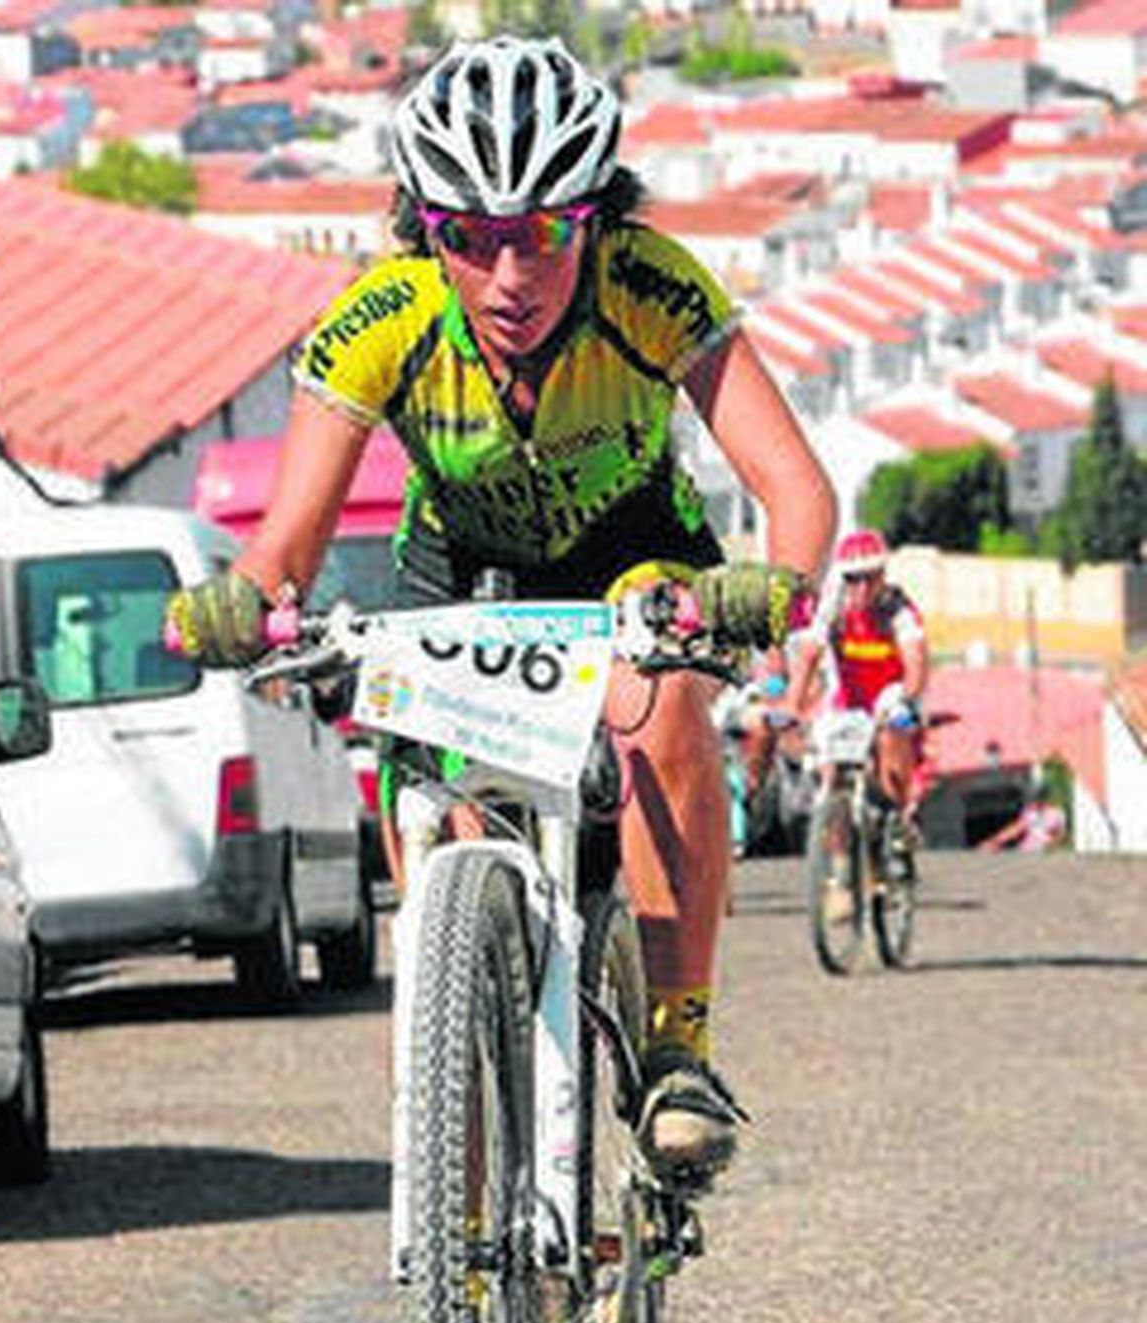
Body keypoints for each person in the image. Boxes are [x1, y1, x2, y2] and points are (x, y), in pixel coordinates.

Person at [166, 36, 836, 1184]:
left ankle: (677, 1048)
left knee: (658, 703)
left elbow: (796, 488)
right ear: (421, 230)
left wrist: (774, 584)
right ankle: (454, 1206)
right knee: (431, 817)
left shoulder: (651, 284)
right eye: (465, 239)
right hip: (461, 570)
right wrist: (242, 597)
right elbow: (287, 542)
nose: (507, 276)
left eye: (543, 235)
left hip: (631, 554)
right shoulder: (381, 318)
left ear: (595, 221)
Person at [788, 527, 929, 826]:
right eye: (853, 579)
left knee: (891, 740)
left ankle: (896, 820)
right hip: (850, 699)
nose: (862, 588)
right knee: (825, 760)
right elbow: (810, 653)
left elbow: (916, 663)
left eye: (870, 577)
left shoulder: (899, 609)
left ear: (883, 575)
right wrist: (793, 705)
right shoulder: (833, 605)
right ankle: (830, 834)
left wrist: (907, 699)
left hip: (892, 697)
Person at [979, 783, 1067, 853]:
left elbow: (1060, 837)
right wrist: (995, 841)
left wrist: (1049, 847)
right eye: (1029, 800)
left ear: (1041, 799)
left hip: (1043, 855)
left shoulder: (1056, 814)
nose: (1030, 804)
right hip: (1025, 853)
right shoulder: (1029, 812)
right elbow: (1015, 829)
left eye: (1033, 800)